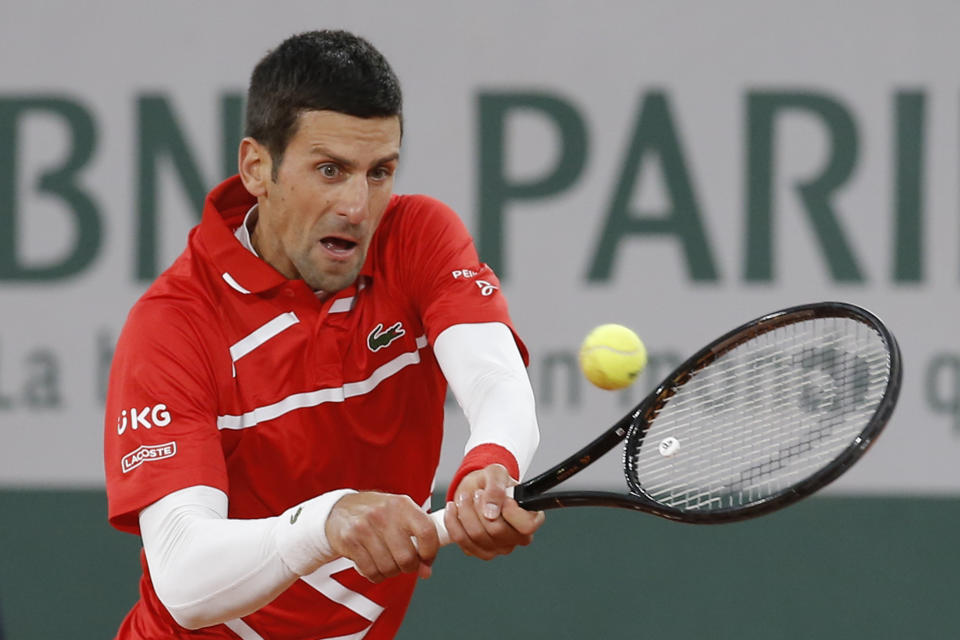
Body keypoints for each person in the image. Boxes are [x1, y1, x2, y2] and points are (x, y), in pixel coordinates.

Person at [103, 29, 544, 639]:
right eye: (330, 170)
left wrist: (491, 464)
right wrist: (327, 524)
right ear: (258, 167)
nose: (358, 206)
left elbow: (495, 377)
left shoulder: (416, 237)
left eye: (379, 172)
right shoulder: (173, 326)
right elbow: (183, 577)